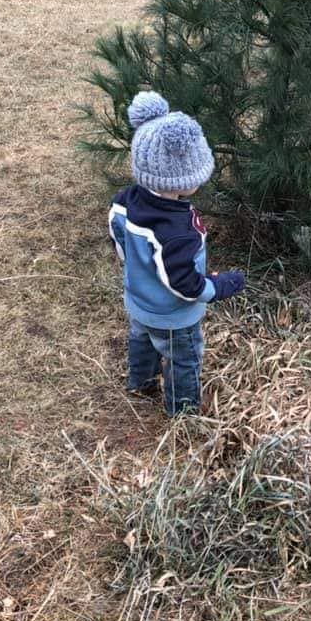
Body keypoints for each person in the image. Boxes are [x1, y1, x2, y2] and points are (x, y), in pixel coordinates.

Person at [108, 91, 245, 416]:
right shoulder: (177, 232)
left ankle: (139, 382)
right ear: (182, 180)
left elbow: (118, 238)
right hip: (174, 316)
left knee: (141, 340)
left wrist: (134, 271)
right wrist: (220, 286)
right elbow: (184, 284)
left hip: (139, 301)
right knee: (183, 359)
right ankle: (182, 411)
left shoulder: (124, 201)